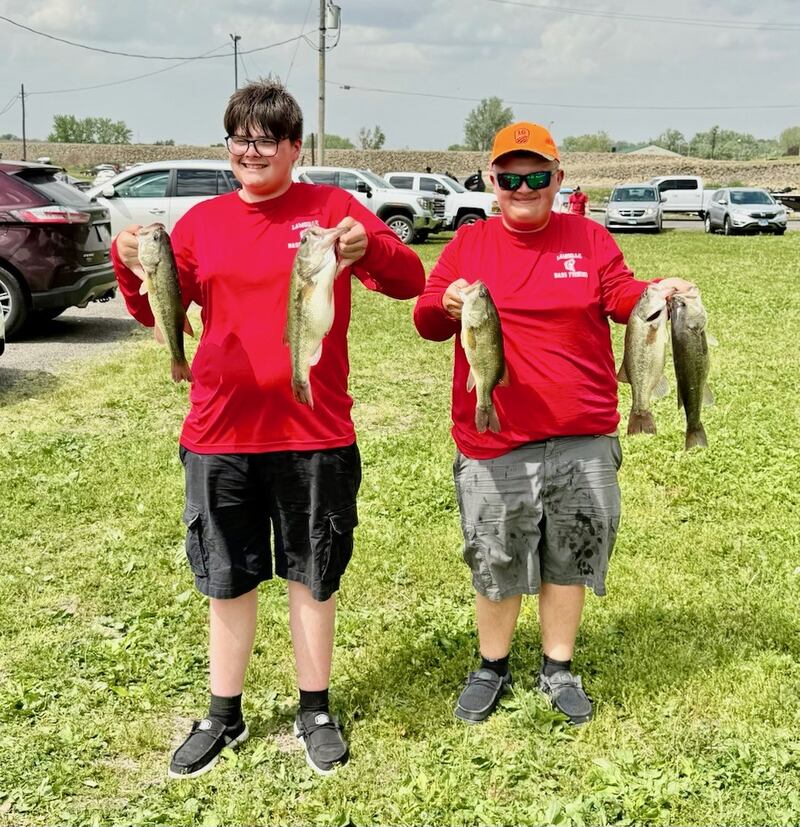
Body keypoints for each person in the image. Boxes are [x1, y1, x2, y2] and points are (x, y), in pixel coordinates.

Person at [112, 79, 425, 779]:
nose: (250, 152)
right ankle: (223, 714)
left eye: (265, 140)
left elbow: (410, 280)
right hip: (220, 431)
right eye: (239, 138)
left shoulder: (332, 211)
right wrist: (129, 266)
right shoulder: (202, 223)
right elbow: (157, 309)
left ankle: (316, 708)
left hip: (314, 430)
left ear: (294, 147)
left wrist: (368, 246)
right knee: (227, 578)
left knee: (313, 574)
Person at [413, 122, 693, 727]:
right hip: (495, 435)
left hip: (582, 433)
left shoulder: (589, 238)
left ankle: (557, 665)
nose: (524, 188)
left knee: (573, 550)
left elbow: (622, 296)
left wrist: (656, 295)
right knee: (496, 553)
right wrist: (445, 303)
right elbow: (428, 319)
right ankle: (492, 665)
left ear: (558, 178)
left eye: (537, 176)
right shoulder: (468, 244)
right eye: (510, 178)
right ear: (491, 181)